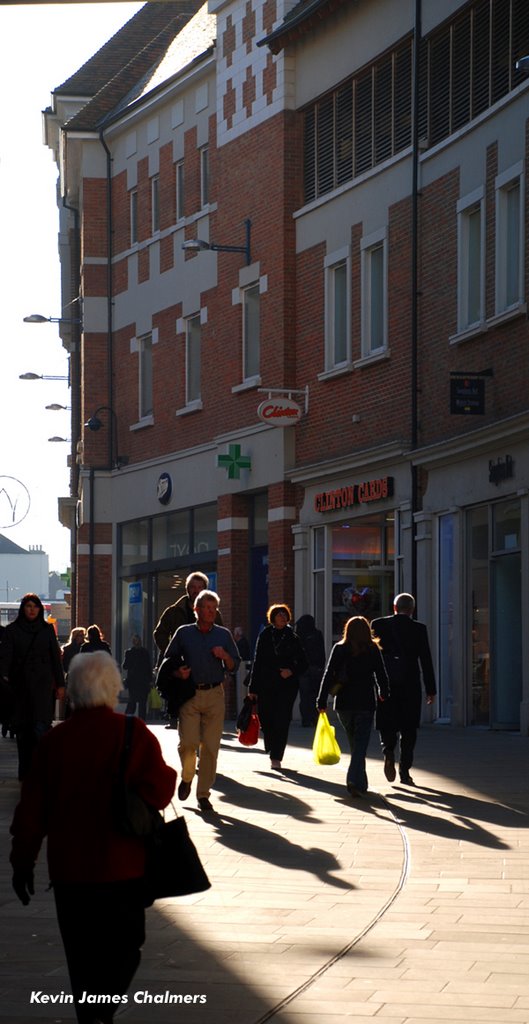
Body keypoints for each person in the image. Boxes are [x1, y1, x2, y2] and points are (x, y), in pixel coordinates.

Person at [9, 650, 176, 1024]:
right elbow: (163, 786)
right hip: (125, 866)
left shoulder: (55, 741)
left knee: (80, 951)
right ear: (114, 687)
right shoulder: (133, 733)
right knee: (126, 946)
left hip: (71, 870)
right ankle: (103, 1009)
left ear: (72, 690)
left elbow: (32, 809)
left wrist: (23, 862)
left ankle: (90, 1013)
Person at [164, 589, 239, 813]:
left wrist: (225, 656)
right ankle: (187, 776)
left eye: (214, 608)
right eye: (207, 608)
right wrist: (179, 673)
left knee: (210, 748)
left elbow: (235, 664)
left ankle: (203, 794)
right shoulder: (184, 633)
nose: (211, 612)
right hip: (190, 694)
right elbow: (168, 661)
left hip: (215, 694)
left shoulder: (223, 635)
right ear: (196, 609)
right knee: (188, 743)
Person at [317, 616, 389, 797]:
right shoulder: (372, 649)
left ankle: (360, 783)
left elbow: (328, 674)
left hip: (343, 704)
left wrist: (321, 698)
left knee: (355, 744)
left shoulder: (339, 648)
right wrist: (384, 692)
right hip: (365, 702)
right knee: (360, 745)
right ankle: (353, 779)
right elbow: (381, 673)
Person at [371, 592, 436, 785]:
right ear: (412, 610)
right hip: (410, 683)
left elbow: (372, 656)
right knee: (409, 728)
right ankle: (405, 770)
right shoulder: (419, 629)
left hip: (386, 682)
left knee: (386, 720)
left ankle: (388, 750)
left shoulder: (378, 625)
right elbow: (426, 660)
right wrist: (431, 689)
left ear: (394, 608)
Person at [0, 594, 65, 780]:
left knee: (40, 729)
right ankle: (25, 769)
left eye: (35, 606)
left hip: (42, 687)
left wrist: (60, 684)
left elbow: (55, 659)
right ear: (23, 608)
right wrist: (5, 679)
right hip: (20, 688)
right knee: (23, 732)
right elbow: (5, 658)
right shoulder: (12, 631)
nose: (32, 610)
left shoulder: (46, 630)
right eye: (28, 606)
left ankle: (37, 770)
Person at [154, 571, 223, 729]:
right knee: (185, 705)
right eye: (193, 587)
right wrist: (171, 653)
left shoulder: (214, 613)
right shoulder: (174, 611)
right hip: (182, 664)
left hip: (205, 665)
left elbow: (221, 635)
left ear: (205, 589)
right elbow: (159, 634)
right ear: (187, 589)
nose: (196, 590)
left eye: (200, 587)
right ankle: (178, 721)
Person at [247, 604, 308, 771]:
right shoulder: (265, 635)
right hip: (266, 683)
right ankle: (271, 744)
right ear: (272, 617)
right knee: (266, 718)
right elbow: (257, 662)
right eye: (278, 614)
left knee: (282, 719)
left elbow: (303, 663)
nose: (281, 616)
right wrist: (252, 688)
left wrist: (291, 671)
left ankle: (276, 756)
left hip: (287, 686)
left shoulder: (293, 637)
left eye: (284, 614)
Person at [295, 614, 326, 727]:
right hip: (315, 668)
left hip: (303, 670)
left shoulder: (299, 635)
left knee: (304, 696)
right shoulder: (317, 634)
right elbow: (321, 652)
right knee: (315, 694)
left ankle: (306, 719)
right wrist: (321, 666)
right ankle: (314, 718)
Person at [122, 634, 152, 721]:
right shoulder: (141, 652)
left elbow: (148, 667)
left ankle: (130, 718)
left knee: (135, 702)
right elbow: (125, 666)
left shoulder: (131, 652)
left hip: (138, 681)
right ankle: (136, 719)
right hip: (138, 681)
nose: (135, 642)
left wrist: (149, 680)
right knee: (136, 702)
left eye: (136, 640)